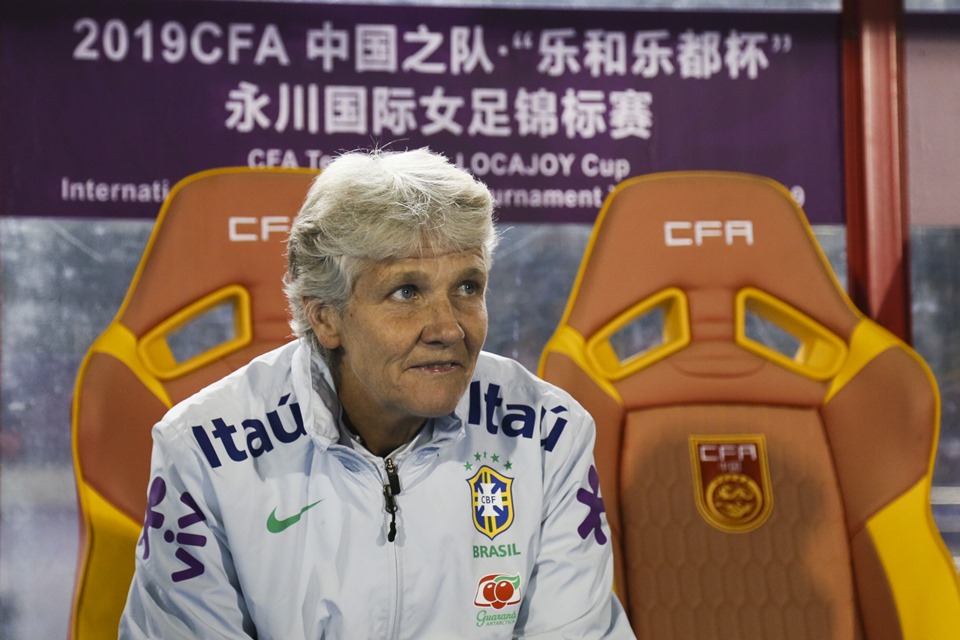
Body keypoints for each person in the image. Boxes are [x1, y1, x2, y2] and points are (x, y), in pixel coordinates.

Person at [120, 148, 634, 639]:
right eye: (406, 292)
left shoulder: (550, 432)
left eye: (467, 287)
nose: (448, 328)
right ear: (325, 316)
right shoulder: (203, 449)